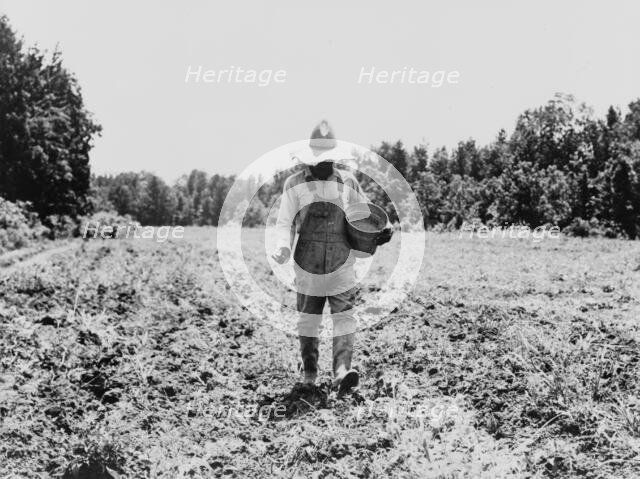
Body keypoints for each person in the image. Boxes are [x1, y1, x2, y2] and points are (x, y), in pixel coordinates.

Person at [271, 120, 393, 394]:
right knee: (308, 320)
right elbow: (285, 222)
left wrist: (383, 229)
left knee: (345, 317)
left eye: (328, 160)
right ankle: (310, 374)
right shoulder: (294, 184)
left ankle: (341, 372)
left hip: (341, 262)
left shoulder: (347, 181)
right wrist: (282, 247)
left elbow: (367, 215)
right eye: (319, 160)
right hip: (308, 264)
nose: (324, 165)